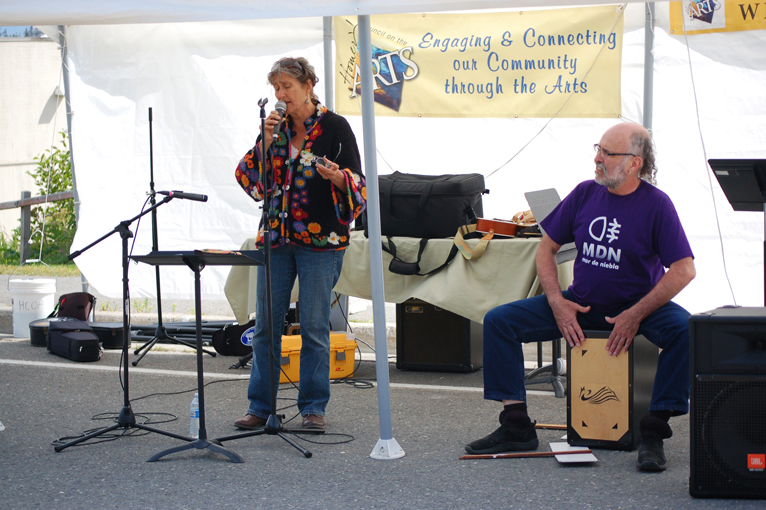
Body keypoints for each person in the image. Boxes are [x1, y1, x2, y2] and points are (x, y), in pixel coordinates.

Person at [466, 122, 695, 472]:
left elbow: (683, 269)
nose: (598, 159)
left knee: (686, 330)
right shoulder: (585, 193)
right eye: (597, 149)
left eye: (608, 153)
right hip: (582, 304)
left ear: (635, 163)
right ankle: (516, 425)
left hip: (638, 308)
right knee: (500, 322)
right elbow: (546, 249)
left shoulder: (657, 205)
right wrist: (558, 302)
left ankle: (653, 432)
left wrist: (635, 314)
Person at [233, 57, 366, 430]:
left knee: (313, 328)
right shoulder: (273, 128)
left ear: (308, 85)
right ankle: (260, 407)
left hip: (320, 243)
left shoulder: (335, 127)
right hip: (276, 238)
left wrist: (338, 177)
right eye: (275, 88)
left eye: (287, 87)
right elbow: (250, 182)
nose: (280, 95)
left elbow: (359, 184)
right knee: (266, 327)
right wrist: (267, 140)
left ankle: (312, 408)